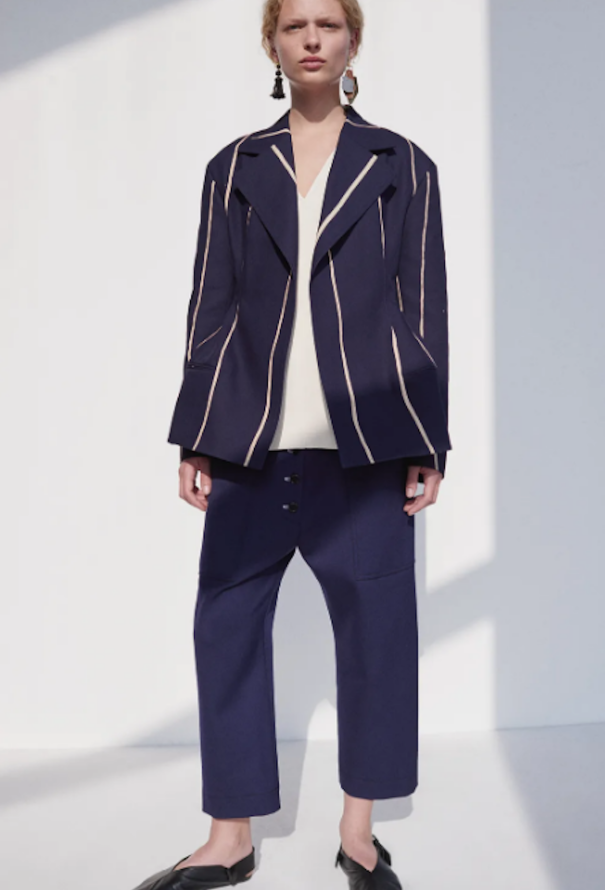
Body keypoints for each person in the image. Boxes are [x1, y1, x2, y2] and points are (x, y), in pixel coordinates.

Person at [132, 0, 451, 887]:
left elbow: (423, 310)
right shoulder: (234, 167)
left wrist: (427, 439)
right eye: (293, 25)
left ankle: (358, 834)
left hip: (367, 446)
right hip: (250, 443)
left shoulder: (401, 166)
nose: (311, 39)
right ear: (270, 42)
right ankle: (229, 836)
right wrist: (197, 435)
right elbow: (210, 307)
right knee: (226, 627)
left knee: (376, 634)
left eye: (328, 24)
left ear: (353, 40)